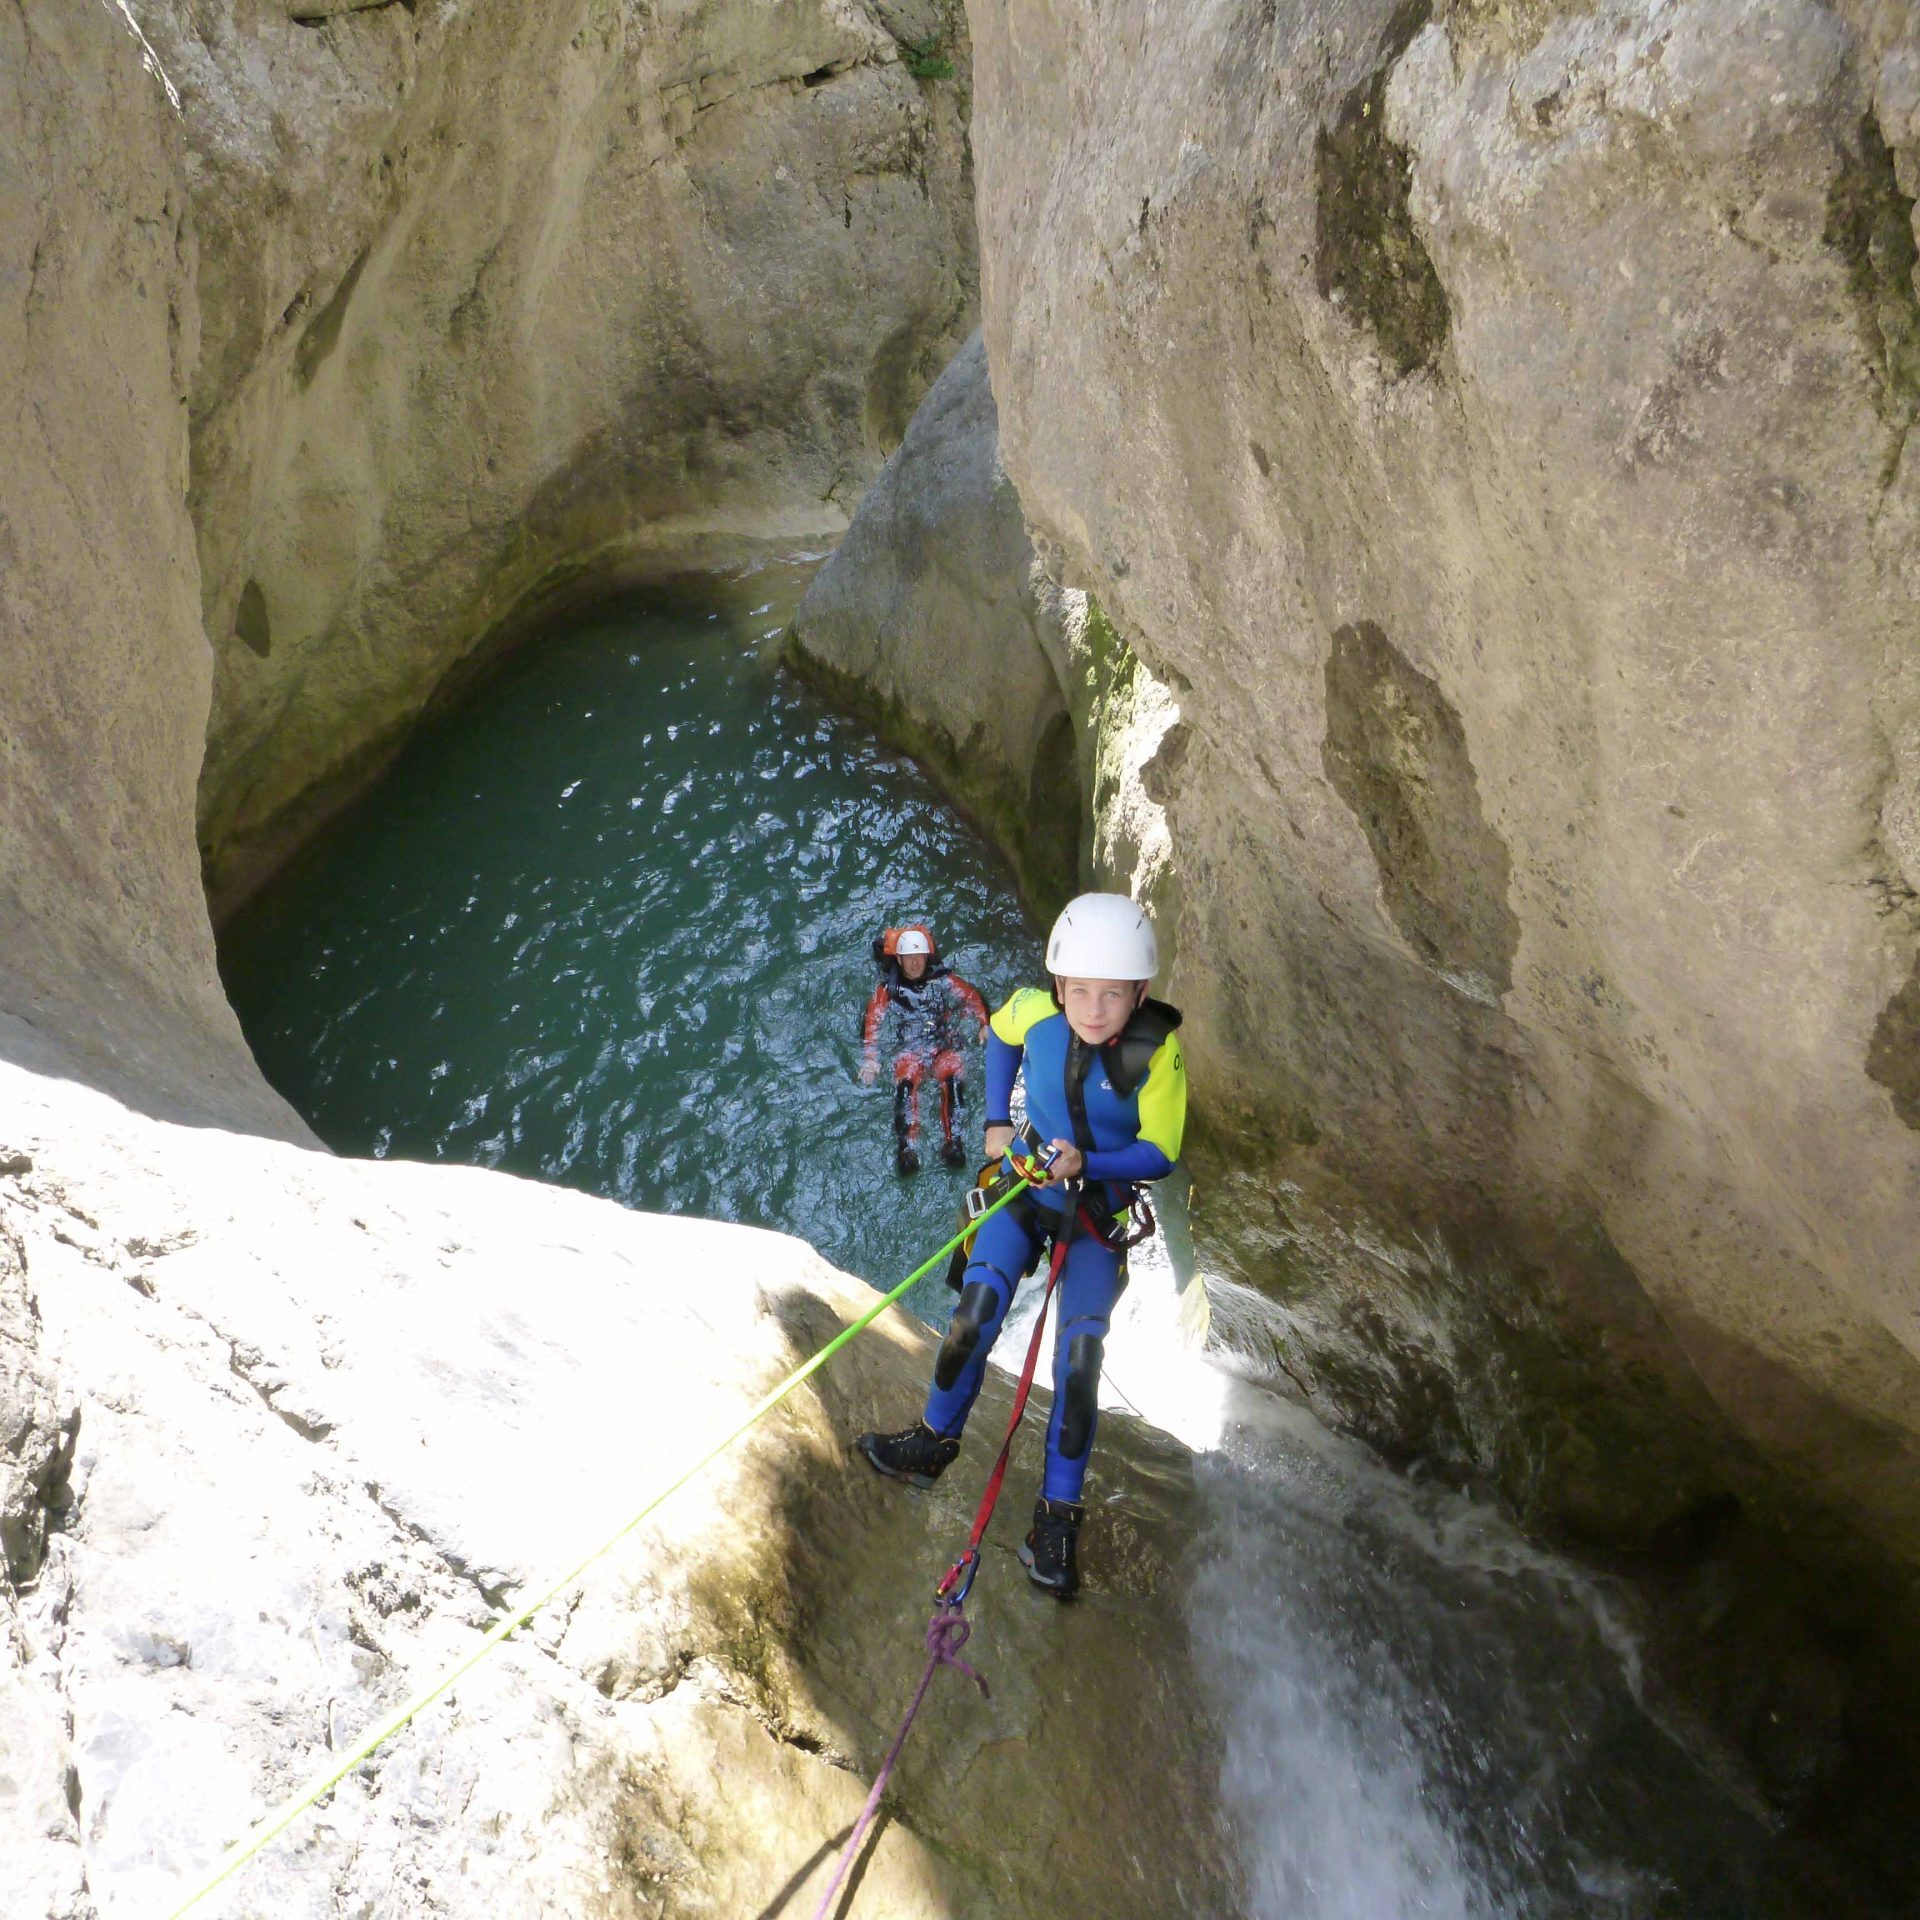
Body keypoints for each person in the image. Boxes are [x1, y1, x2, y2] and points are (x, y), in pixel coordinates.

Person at [856, 893, 1186, 1599]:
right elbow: (1000, 1040)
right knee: (975, 1314)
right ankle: (932, 1440)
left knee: (1078, 1361)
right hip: (1025, 1187)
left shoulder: (1157, 1053)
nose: (1093, 1010)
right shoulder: (1036, 1014)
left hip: (1094, 1213)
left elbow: (1161, 1149)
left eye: (1112, 995)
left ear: (1140, 994)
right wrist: (995, 1126)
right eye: (1079, 992)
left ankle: (1057, 1519)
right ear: (1060, 987)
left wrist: (1087, 1166)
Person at [859, 925, 990, 1174]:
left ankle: (954, 1143)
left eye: (920, 957)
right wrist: (870, 1059)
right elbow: (872, 1023)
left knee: (953, 1080)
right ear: (899, 959)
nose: (916, 963)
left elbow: (972, 997)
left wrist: (984, 1024)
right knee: (906, 1085)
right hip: (910, 1049)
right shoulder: (887, 990)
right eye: (909, 958)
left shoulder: (943, 980)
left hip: (942, 1045)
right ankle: (906, 1150)